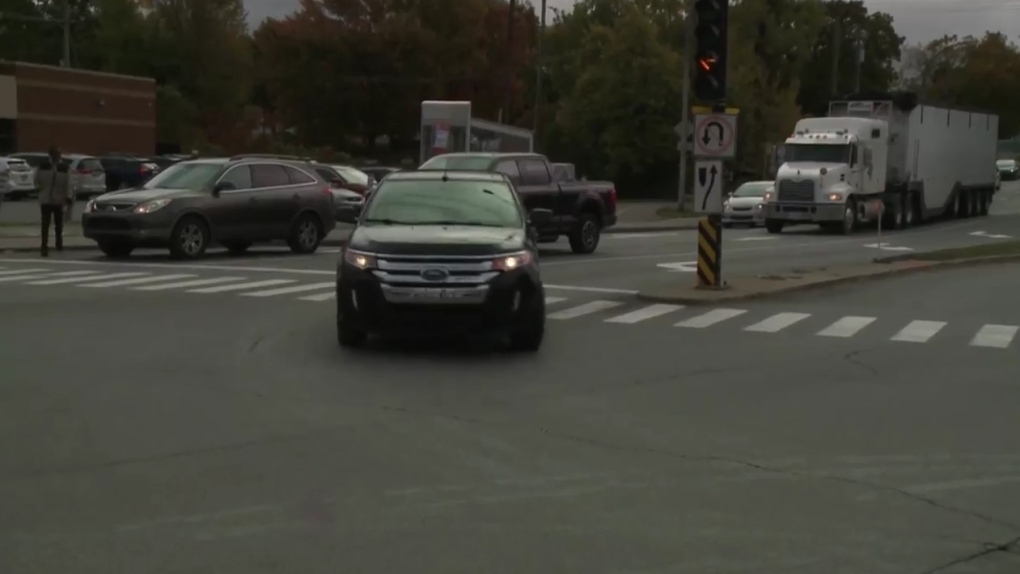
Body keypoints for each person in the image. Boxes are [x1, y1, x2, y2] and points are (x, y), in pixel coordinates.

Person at [34, 146, 72, 256]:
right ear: (51, 155)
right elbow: (36, 179)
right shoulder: (43, 167)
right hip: (46, 198)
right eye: (55, 154)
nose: (57, 156)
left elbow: (69, 184)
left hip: (58, 199)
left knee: (58, 224)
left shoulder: (64, 168)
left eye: (58, 154)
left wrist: (68, 197)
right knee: (45, 224)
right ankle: (44, 246)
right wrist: (39, 189)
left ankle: (59, 244)